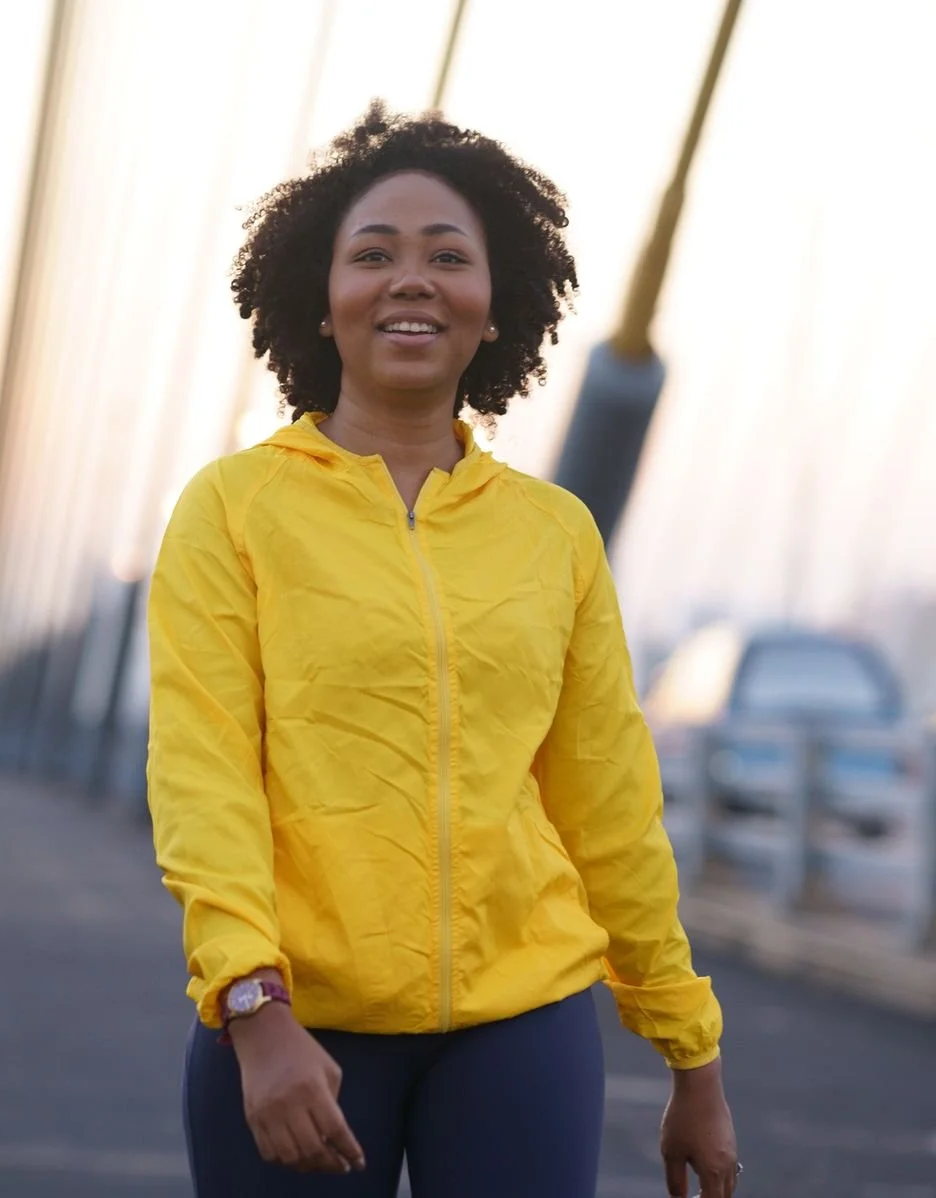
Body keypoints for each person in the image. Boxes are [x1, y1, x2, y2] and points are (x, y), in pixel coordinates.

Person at [147, 102, 740, 1198]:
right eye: (372, 254)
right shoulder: (231, 510)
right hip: (296, 1026)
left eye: (447, 257)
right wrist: (250, 1004)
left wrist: (689, 1051)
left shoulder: (554, 533)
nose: (410, 279)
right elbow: (204, 775)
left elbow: (607, 797)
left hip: (523, 1023)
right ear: (320, 302)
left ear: (492, 301)